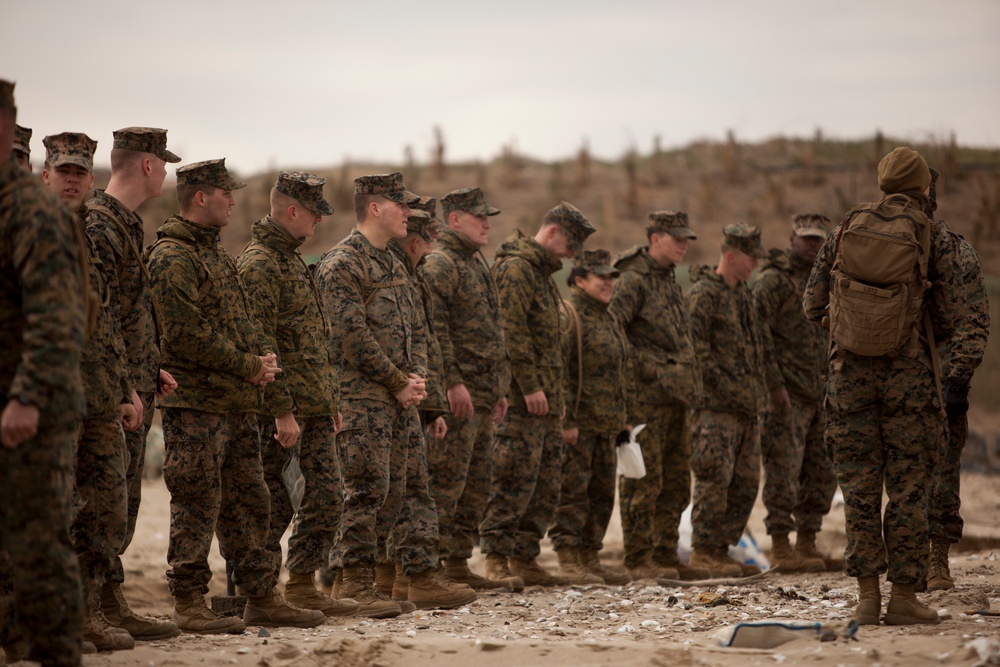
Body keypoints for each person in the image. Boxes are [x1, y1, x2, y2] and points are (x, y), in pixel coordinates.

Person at [147, 158, 323, 633]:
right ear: (201, 197)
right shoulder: (172, 255)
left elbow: (244, 324)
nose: (233, 200)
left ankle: (261, 596)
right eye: (225, 193)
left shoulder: (217, 254)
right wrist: (250, 365)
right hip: (198, 405)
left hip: (238, 405)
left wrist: (262, 365)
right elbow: (184, 333)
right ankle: (189, 602)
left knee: (250, 503)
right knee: (197, 502)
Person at [804, 146, 968, 625]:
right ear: (922, 187)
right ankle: (903, 598)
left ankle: (867, 598)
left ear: (882, 184)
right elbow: (954, 315)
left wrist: (854, 331)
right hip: (909, 383)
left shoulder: (844, 229)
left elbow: (813, 305)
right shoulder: (933, 236)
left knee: (858, 492)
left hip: (849, 381)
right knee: (908, 492)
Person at [236, 171, 358, 619]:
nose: (319, 223)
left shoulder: (289, 259)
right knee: (273, 503)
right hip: (284, 412)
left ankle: (303, 585)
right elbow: (262, 342)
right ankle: (260, 595)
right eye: (314, 213)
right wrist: (281, 411)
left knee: (325, 496)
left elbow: (311, 342)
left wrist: (330, 403)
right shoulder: (261, 263)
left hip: (315, 408)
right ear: (291, 210)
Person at [312, 172, 429, 619]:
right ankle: (354, 582)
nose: (410, 213)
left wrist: (414, 377)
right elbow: (349, 335)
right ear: (375, 208)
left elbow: (416, 325)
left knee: (392, 491)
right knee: (362, 490)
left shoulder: (394, 263)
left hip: (398, 399)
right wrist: (397, 380)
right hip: (359, 399)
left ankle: (365, 580)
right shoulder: (343, 262)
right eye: (402, 205)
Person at [0, 78, 88, 666]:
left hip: (29, 409)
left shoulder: (30, 211)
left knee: (38, 547)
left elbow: (59, 315)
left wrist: (27, 396)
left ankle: (58, 651)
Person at [85, 127, 182, 642]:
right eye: (162, 163)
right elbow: (100, 316)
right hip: (111, 390)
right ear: (146, 165)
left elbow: (129, 315)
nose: (166, 172)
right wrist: (127, 383)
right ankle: (89, 607)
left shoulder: (125, 225)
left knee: (122, 502)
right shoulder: (101, 226)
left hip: (133, 383)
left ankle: (108, 598)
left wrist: (152, 367)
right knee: (103, 503)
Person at [42, 132, 135, 652]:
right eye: (64, 172)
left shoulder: (87, 238)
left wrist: (124, 387)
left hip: (99, 398)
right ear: (45, 176)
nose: (72, 180)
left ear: (92, 180)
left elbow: (104, 325)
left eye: (80, 173)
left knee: (104, 510)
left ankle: (86, 613)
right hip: (54, 398)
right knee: (54, 510)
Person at [480, 201, 595, 587]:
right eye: (571, 245)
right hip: (520, 401)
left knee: (545, 484)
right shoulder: (516, 268)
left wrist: (555, 401)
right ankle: (496, 557)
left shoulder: (542, 273)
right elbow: (511, 332)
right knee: (512, 479)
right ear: (552, 233)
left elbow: (549, 344)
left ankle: (525, 556)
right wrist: (528, 386)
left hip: (545, 403)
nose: (574, 255)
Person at [418, 187, 516, 591]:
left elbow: (492, 330)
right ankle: (433, 565)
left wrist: (501, 387)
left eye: (488, 216)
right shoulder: (441, 264)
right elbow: (435, 331)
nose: (488, 223)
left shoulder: (475, 262)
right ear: (454, 219)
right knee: (447, 481)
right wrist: (453, 383)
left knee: (476, 482)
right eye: (480, 217)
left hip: (484, 393)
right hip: (460, 396)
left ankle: (457, 562)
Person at [382, 205, 478, 610]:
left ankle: (405, 577)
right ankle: (398, 576)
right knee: (392, 492)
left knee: (411, 489)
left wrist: (432, 404)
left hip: (416, 396)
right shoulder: (395, 273)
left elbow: (427, 343)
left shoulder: (412, 276)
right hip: (388, 397)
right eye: (427, 238)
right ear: (417, 241)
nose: (432, 246)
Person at [610, 211, 707, 581]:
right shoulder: (632, 281)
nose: (684, 245)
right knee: (643, 482)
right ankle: (639, 558)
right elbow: (614, 333)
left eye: (686, 239)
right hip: (646, 399)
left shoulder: (668, 281)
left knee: (676, 482)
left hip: (676, 398)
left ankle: (666, 555)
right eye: (677, 238)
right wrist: (650, 368)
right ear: (655, 238)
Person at [752, 213, 838, 573]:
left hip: (823, 392)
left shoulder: (831, 281)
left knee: (820, 471)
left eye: (818, 239)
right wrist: (774, 384)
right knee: (783, 471)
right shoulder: (773, 282)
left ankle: (807, 541)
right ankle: (780, 544)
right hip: (786, 396)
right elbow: (758, 336)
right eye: (805, 239)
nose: (812, 245)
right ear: (791, 238)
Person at [687, 223, 768, 578]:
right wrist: (721, 387)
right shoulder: (704, 294)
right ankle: (704, 551)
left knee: (746, 481)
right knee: (713, 479)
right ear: (731, 256)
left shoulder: (743, 295)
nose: (755, 265)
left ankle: (721, 548)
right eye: (750, 258)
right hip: (715, 409)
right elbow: (696, 349)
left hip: (746, 408)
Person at [548, 249, 633, 585]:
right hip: (580, 425)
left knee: (601, 494)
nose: (609, 283)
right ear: (579, 280)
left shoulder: (608, 317)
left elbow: (623, 371)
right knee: (573, 493)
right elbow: (561, 372)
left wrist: (626, 416)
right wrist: (567, 421)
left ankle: (589, 555)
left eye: (612, 277)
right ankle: (569, 559)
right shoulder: (569, 315)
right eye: (602, 277)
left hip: (607, 424)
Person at [927, 231, 990, 590]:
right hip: (901, 377)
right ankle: (919, 561)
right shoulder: (882, 239)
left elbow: (975, 317)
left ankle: (931, 560)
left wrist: (956, 377)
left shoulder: (951, 250)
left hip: (932, 377)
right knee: (920, 469)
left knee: (938, 467)